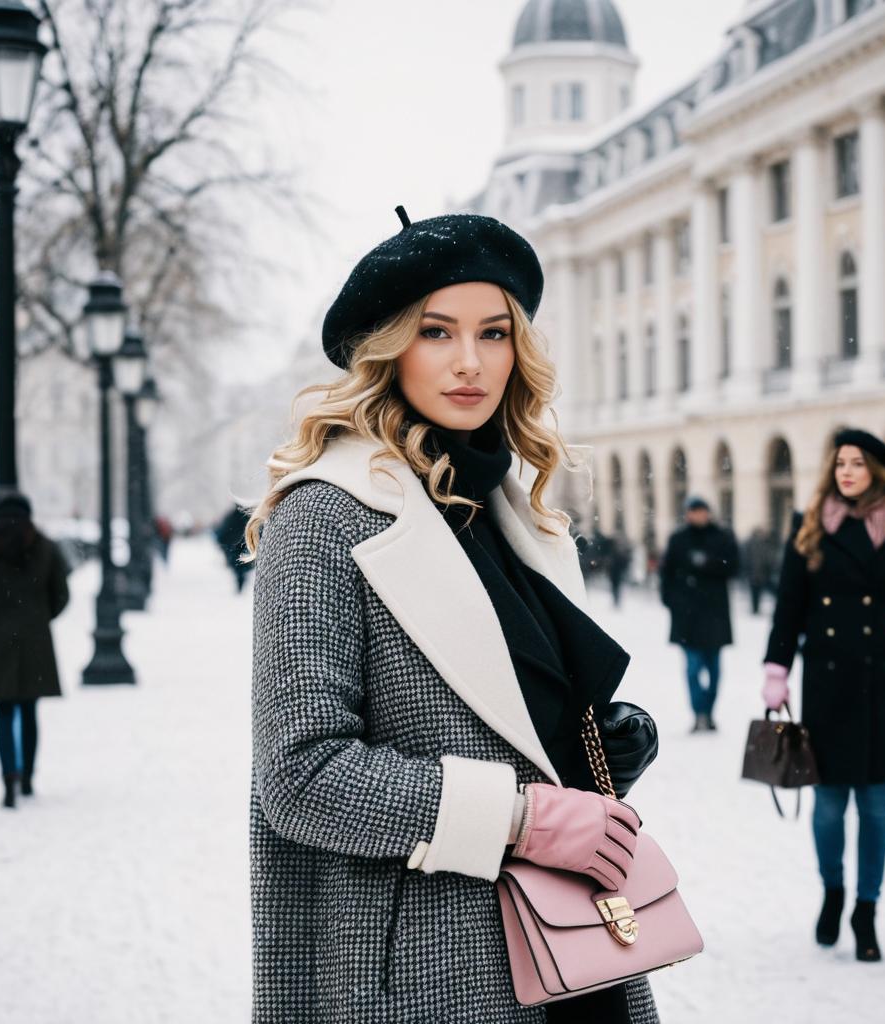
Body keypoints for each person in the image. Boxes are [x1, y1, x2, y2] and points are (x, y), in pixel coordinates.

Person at [243, 208, 659, 1023]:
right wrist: (520, 817)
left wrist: (598, 746)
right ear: (388, 348)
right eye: (436, 332)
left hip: (568, 950)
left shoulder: (511, 513)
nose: (470, 361)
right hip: (423, 971)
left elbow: (501, 724)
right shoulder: (326, 518)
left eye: (494, 332)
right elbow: (301, 776)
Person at [763, 428, 885, 963]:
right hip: (828, 677)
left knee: (875, 804)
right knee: (827, 803)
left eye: (857, 463)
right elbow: (789, 605)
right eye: (839, 462)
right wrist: (777, 668)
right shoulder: (811, 523)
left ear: (875, 470)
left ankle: (866, 910)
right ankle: (833, 891)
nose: (846, 471)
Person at [0, 491, 70, 808]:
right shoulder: (45, 548)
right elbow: (61, 595)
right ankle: (29, 777)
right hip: (35, 641)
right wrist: (38, 617)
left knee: (4, 712)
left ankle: (9, 778)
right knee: (30, 711)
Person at [659, 496, 739, 733]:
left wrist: (707, 563)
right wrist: (671, 601)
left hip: (714, 614)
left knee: (714, 669)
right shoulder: (678, 539)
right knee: (693, 668)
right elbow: (667, 573)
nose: (698, 515)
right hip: (687, 616)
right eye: (693, 511)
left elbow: (733, 566)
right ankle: (699, 713)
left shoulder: (722, 537)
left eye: (702, 511)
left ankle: (709, 712)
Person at [214, 503, 254, 593]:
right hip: (242, 546)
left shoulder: (230, 517)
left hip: (234, 547)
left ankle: (240, 584)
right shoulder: (247, 516)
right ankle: (240, 584)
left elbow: (222, 533)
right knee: (241, 567)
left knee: (238, 568)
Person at [743, 526, 779, 615]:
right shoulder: (756, 543)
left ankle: (755, 609)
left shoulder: (759, 543)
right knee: (756, 592)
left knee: (756, 592)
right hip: (757, 572)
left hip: (759, 572)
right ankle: (755, 609)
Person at [607, 529, 633, 607]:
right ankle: (616, 600)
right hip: (616, 570)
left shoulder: (615, 549)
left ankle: (616, 600)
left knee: (615, 586)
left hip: (615, 570)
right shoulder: (620, 549)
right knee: (616, 586)